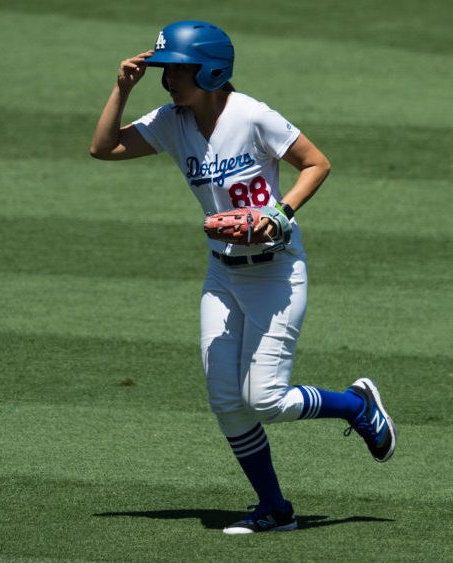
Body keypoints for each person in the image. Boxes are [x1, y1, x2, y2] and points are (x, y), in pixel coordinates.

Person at [90, 20, 396, 535]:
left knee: (265, 400)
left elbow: (316, 164)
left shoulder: (251, 115)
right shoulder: (173, 120)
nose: (168, 81)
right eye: (165, 72)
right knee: (226, 400)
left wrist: (280, 212)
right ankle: (275, 509)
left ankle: (355, 404)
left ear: (209, 71)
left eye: (176, 71)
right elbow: (104, 148)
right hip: (221, 275)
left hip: (277, 275)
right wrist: (122, 90)